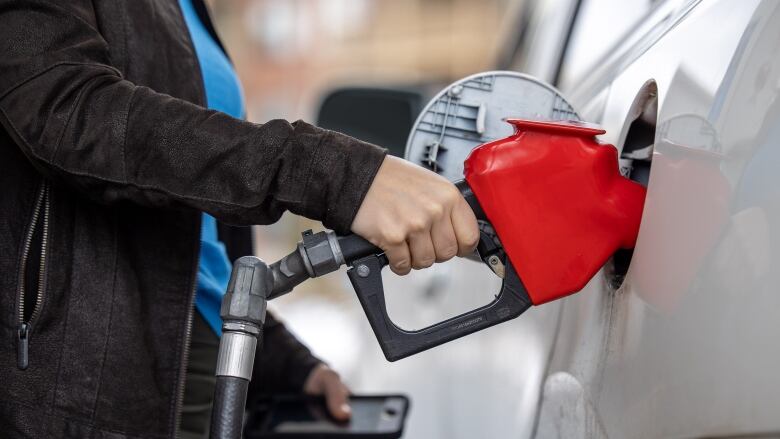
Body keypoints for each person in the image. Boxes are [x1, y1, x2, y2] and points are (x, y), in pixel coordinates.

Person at [0, 1, 479, 438]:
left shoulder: (187, 9)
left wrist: (284, 362)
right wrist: (335, 175)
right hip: (89, 385)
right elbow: (68, 111)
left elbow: (195, 241)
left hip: (206, 365)